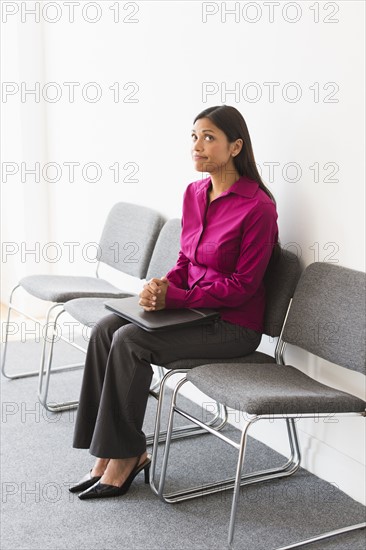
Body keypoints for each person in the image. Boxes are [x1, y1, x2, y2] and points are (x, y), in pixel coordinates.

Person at [70, 105, 279, 499]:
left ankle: (125, 457)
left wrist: (175, 298)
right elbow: (186, 261)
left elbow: (243, 287)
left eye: (209, 137)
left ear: (236, 146)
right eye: (194, 136)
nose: (197, 145)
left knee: (130, 341)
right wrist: (161, 286)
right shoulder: (195, 193)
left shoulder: (258, 208)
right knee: (105, 329)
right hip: (192, 311)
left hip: (232, 326)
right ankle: (104, 454)